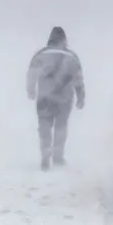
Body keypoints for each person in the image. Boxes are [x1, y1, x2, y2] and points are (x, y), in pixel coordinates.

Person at [26, 26, 85, 171]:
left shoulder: (40, 54)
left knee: (44, 124)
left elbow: (32, 73)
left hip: (44, 97)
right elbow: (78, 78)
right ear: (64, 40)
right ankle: (58, 156)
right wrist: (80, 97)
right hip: (64, 98)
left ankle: (46, 151)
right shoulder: (71, 56)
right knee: (61, 126)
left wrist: (31, 90)